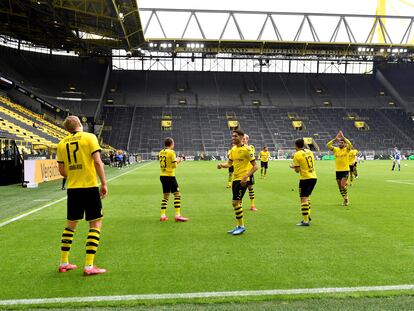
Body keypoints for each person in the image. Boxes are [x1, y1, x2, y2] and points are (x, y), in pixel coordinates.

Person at [56, 115, 108, 276]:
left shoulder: (61, 143)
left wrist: (74, 174)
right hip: (89, 186)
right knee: (95, 224)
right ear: (80, 124)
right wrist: (104, 183)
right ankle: (89, 266)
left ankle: (64, 262)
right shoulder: (89, 137)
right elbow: (98, 162)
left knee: (70, 225)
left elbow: (62, 171)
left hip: (73, 189)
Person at [217, 129, 258, 235]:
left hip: (242, 180)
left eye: (235, 136)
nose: (233, 138)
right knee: (237, 203)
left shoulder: (247, 150)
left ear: (241, 137)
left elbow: (255, 166)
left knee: (235, 203)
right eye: (232, 136)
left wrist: (246, 176)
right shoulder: (233, 149)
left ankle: (241, 226)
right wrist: (222, 165)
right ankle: (238, 226)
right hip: (235, 179)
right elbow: (229, 164)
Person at [159, 137, 188, 222]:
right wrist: (180, 160)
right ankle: (178, 215)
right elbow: (174, 165)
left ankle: (162, 215)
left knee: (165, 196)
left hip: (162, 176)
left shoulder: (161, 152)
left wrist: (177, 159)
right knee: (177, 194)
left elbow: (167, 162)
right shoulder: (171, 152)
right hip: (170, 176)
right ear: (171, 144)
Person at [290, 138, 317, 226]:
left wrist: (293, 166)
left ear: (296, 145)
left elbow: (297, 170)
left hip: (305, 178)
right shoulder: (309, 151)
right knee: (307, 197)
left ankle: (305, 221)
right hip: (313, 177)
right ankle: (308, 214)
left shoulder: (297, 154)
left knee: (303, 198)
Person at [326, 130, 352, 206]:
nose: (340, 144)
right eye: (339, 143)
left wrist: (343, 137)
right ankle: (345, 198)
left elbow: (350, 144)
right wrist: (335, 139)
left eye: (342, 143)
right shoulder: (335, 150)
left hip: (345, 170)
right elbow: (328, 145)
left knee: (342, 185)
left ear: (344, 144)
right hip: (338, 171)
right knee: (340, 187)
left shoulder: (347, 150)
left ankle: (346, 199)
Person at [241, 134, 257, 211]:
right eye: (242, 139)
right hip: (241, 172)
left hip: (249, 171)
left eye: (245, 139)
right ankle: (239, 203)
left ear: (247, 140)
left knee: (250, 188)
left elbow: (251, 156)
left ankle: (252, 205)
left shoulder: (251, 147)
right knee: (240, 188)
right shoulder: (238, 148)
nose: (243, 140)